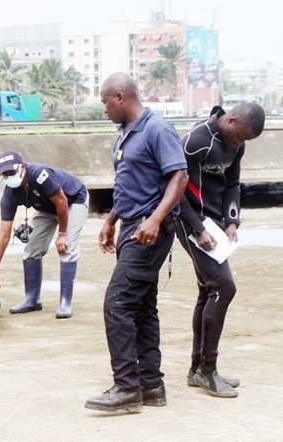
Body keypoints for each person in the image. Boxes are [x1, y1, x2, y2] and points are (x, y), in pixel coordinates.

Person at [84, 73, 188, 412]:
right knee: (142, 307)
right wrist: (111, 219)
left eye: (105, 101)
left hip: (147, 230)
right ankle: (151, 386)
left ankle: (127, 387)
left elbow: (179, 176)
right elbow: (130, 184)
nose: (103, 108)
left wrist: (155, 219)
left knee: (117, 304)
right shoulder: (125, 133)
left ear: (120, 96)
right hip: (131, 225)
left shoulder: (157, 129)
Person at [176, 103, 265, 398]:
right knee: (224, 287)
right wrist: (197, 229)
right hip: (189, 220)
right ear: (231, 119)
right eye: (238, 136)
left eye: (244, 141)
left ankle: (197, 369)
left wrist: (232, 221)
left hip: (214, 223)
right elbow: (174, 189)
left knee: (208, 290)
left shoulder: (236, 145)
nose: (238, 143)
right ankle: (207, 370)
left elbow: (233, 184)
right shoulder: (196, 141)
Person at [0, 150, 89, 319]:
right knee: (31, 249)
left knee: (67, 247)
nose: (9, 176)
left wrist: (62, 234)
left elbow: (62, 201)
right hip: (47, 208)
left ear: (22, 167)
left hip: (73, 200)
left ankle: (65, 302)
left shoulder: (40, 175)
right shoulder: (9, 194)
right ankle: (32, 299)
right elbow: (4, 234)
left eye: (11, 172)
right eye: (5, 174)